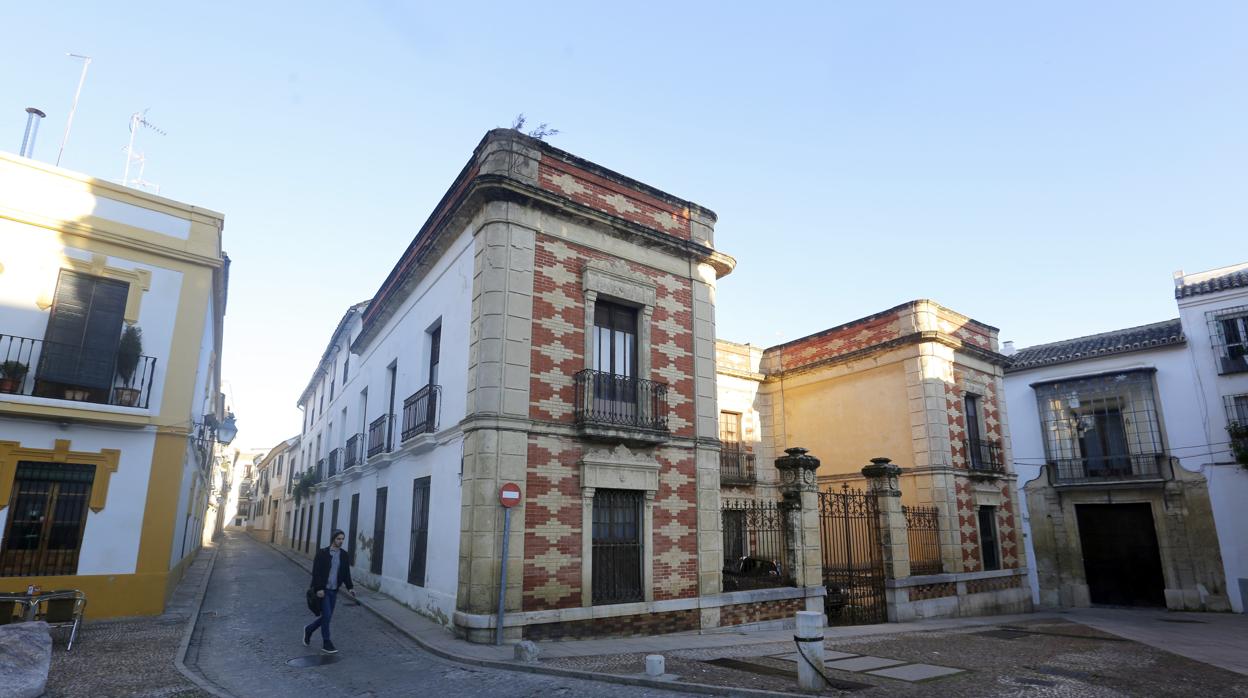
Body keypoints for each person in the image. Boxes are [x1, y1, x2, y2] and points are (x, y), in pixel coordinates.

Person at [303, 529, 355, 654]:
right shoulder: (323, 553)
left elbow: (346, 573)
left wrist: (350, 587)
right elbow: (316, 572)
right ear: (333, 539)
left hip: (333, 590)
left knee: (327, 617)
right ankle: (326, 643)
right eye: (338, 539)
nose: (341, 541)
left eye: (342, 539)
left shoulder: (344, 555)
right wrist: (319, 588)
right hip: (323, 590)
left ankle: (309, 629)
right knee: (326, 616)